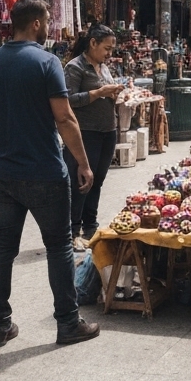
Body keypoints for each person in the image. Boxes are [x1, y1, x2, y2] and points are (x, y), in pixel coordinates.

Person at [0, 0, 99, 348]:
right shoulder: (47, 62)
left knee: (2, 247)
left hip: (4, 172)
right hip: (44, 169)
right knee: (59, 246)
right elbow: (64, 117)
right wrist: (84, 162)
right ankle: (68, 323)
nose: (48, 27)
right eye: (46, 21)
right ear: (35, 24)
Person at [64, 23, 125, 251]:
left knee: (97, 180)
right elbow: (68, 99)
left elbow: (104, 92)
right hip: (85, 133)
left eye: (111, 49)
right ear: (93, 43)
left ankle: (90, 227)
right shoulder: (75, 67)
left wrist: (114, 94)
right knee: (81, 183)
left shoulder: (103, 67)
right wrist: (99, 93)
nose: (109, 54)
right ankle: (73, 231)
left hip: (107, 131)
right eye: (107, 48)